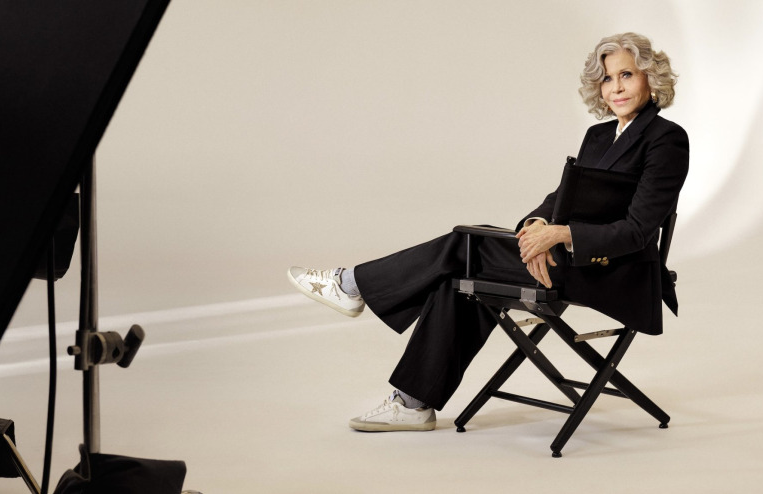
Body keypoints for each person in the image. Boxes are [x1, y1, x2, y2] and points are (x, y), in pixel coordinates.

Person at [288, 32, 689, 432]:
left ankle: (352, 285)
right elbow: (561, 198)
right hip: (565, 259)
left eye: (626, 75)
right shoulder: (598, 136)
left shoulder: (666, 140)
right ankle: (412, 403)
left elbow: (637, 231)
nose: (616, 87)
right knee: (461, 273)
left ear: (649, 77)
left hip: (614, 271)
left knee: (467, 245)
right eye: (607, 78)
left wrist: (559, 235)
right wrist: (535, 227)